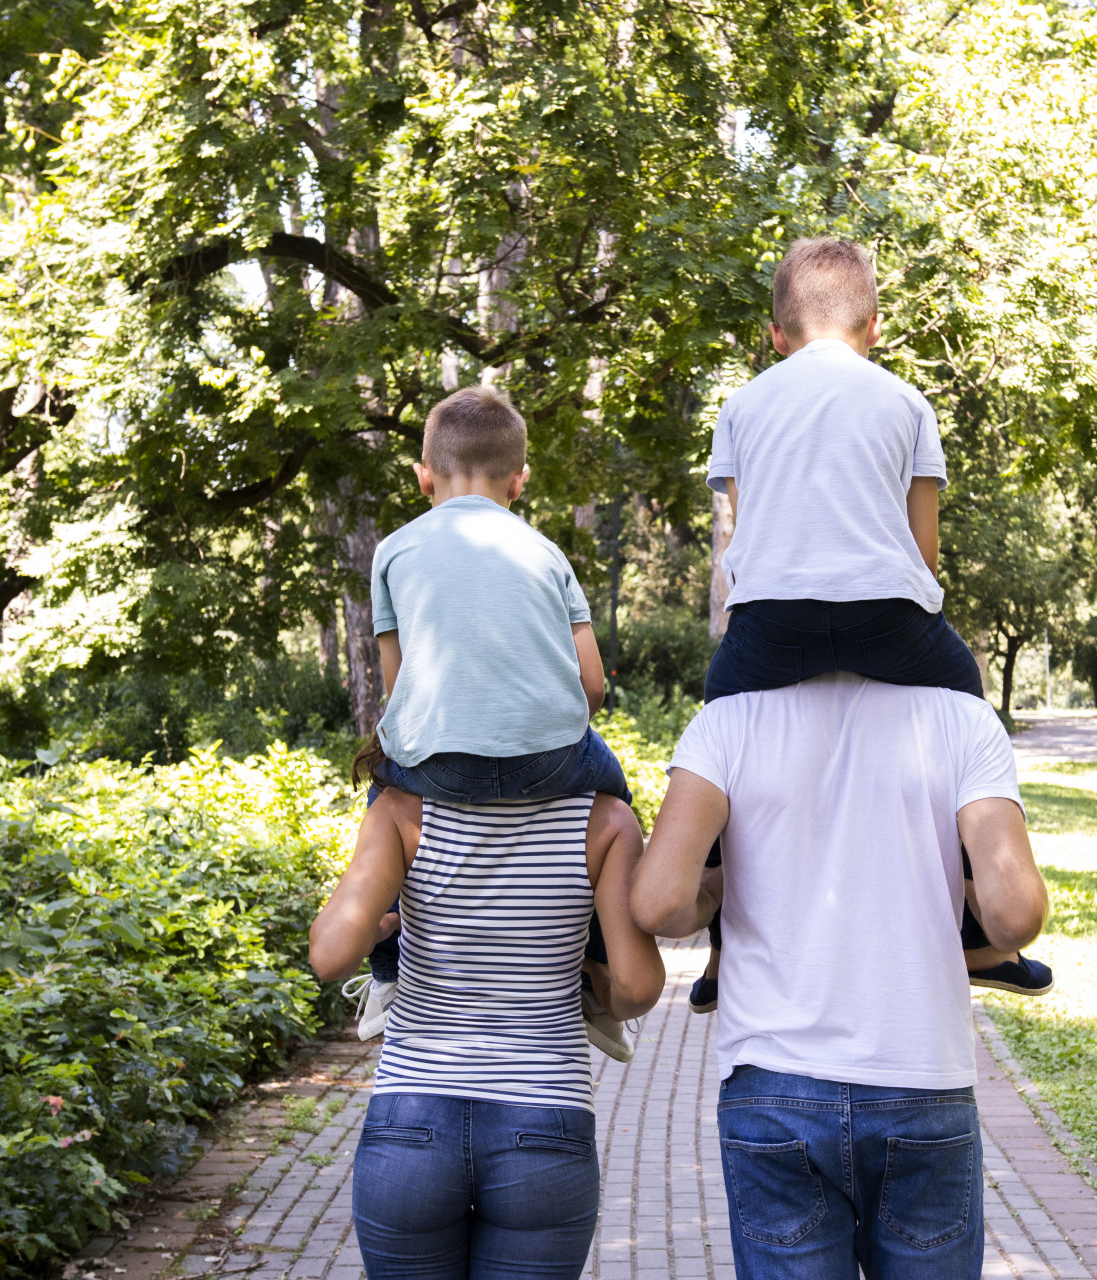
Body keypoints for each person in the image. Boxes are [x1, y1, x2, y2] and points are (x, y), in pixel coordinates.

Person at [689, 236, 1052, 1011]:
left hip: (771, 618)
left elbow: (745, 537)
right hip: (887, 612)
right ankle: (976, 932)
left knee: (722, 718)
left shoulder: (742, 406)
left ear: (776, 336)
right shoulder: (906, 402)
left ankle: (720, 951)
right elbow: (923, 551)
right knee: (964, 695)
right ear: (875, 326)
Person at [630, 671, 1049, 1279]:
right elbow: (1016, 915)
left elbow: (659, 906)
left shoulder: (726, 721)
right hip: (921, 1080)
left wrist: (716, 890)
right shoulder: (963, 718)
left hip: (773, 1082)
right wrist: (967, 895)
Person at [346, 384, 637, 1059]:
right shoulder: (547, 554)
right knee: (614, 797)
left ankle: (387, 977)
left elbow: (399, 689)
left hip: (436, 764)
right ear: (520, 480)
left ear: (424, 478)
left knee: (377, 795)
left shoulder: (393, 551)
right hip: (553, 762)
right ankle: (595, 980)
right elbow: (591, 686)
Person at [311, 786, 665, 1279]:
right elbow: (637, 988)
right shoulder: (605, 820)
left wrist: (379, 930)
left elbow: (328, 956)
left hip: (410, 1124)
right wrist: (591, 976)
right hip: (545, 1123)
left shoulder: (398, 808)